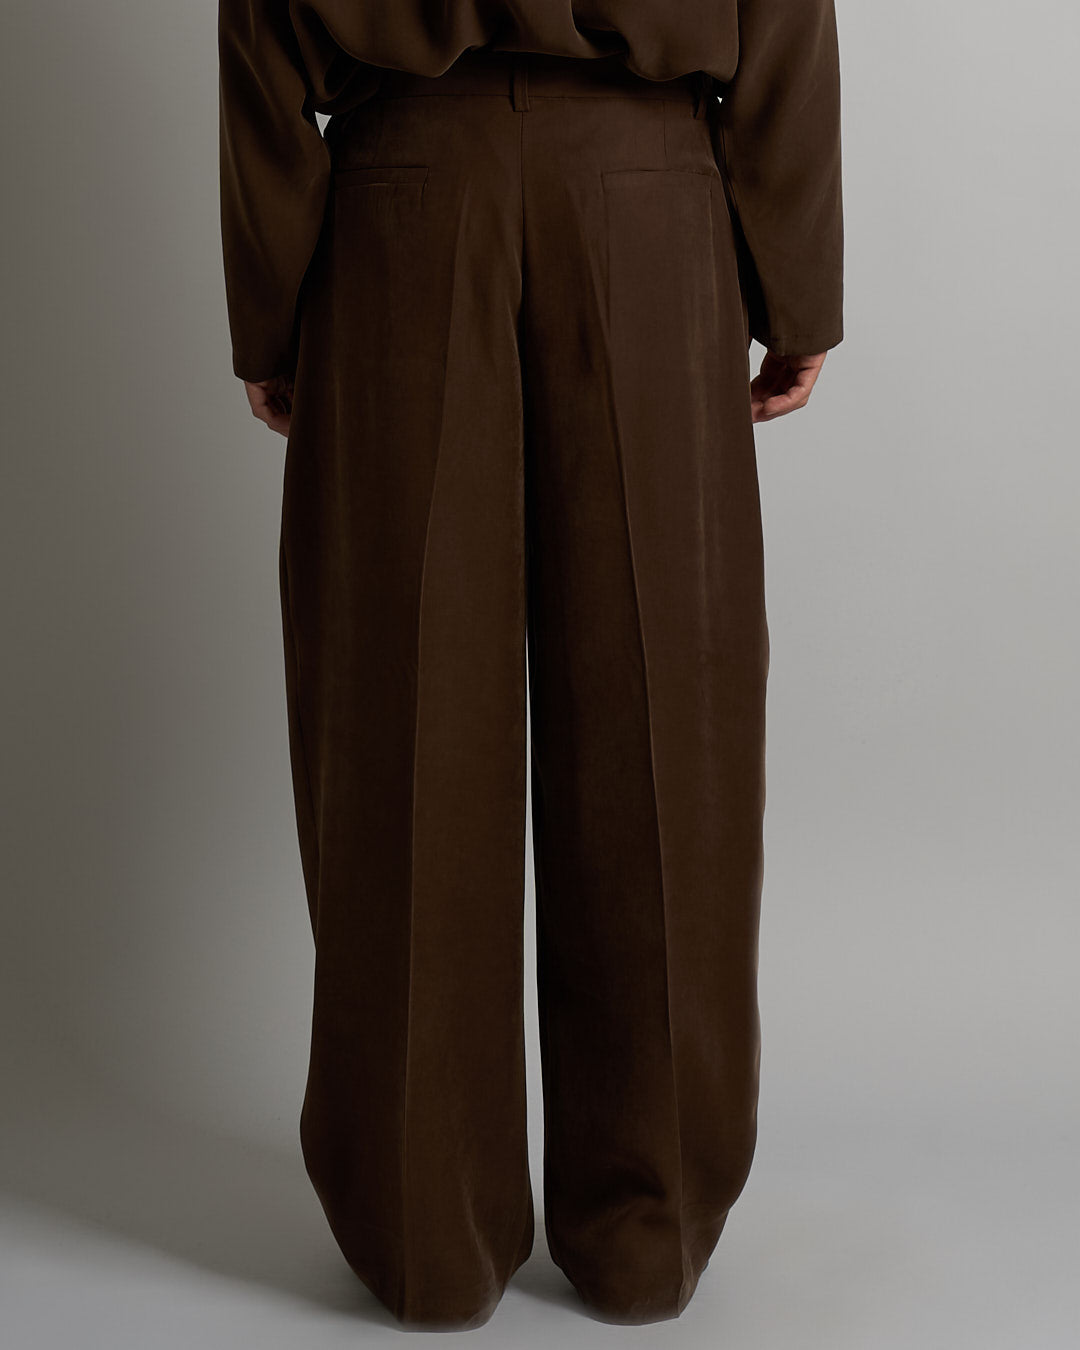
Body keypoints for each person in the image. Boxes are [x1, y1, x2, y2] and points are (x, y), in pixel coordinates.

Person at [217, 0, 843, 1332]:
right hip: (650, 202)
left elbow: (263, 27)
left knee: (402, 710)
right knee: (665, 712)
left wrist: (271, 308)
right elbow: (783, 17)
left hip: (399, 204)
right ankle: (646, 1230)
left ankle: (424, 1237)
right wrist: (796, 285)